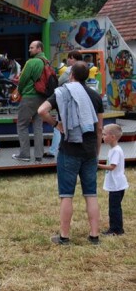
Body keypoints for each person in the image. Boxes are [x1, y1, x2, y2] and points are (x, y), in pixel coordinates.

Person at [38, 61, 103, 245]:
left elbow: (41, 110)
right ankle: (94, 235)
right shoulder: (95, 96)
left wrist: (57, 125)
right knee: (91, 194)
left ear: (71, 75)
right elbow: (99, 129)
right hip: (90, 150)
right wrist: (97, 152)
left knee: (67, 194)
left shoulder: (62, 93)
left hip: (70, 148)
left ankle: (64, 237)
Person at [12, 40, 48, 162]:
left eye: (32, 48)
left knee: (22, 125)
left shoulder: (31, 62)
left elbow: (22, 80)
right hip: (42, 98)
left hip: (29, 96)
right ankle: (39, 155)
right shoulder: (46, 62)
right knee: (38, 126)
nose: (29, 50)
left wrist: (19, 92)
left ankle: (24, 154)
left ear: (39, 49)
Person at [45, 51, 83, 158]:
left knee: (59, 125)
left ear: (75, 59)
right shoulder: (83, 69)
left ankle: (54, 150)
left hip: (66, 100)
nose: (69, 60)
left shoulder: (69, 70)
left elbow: (59, 82)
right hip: (77, 100)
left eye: (71, 58)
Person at [98, 124, 129, 236]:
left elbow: (112, 166)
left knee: (114, 208)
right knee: (114, 207)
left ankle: (116, 229)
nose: (102, 136)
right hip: (116, 184)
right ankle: (116, 228)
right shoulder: (113, 150)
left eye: (105, 134)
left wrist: (97, 165)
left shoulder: (116, 151)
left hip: (117, 185)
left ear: (112, 137)